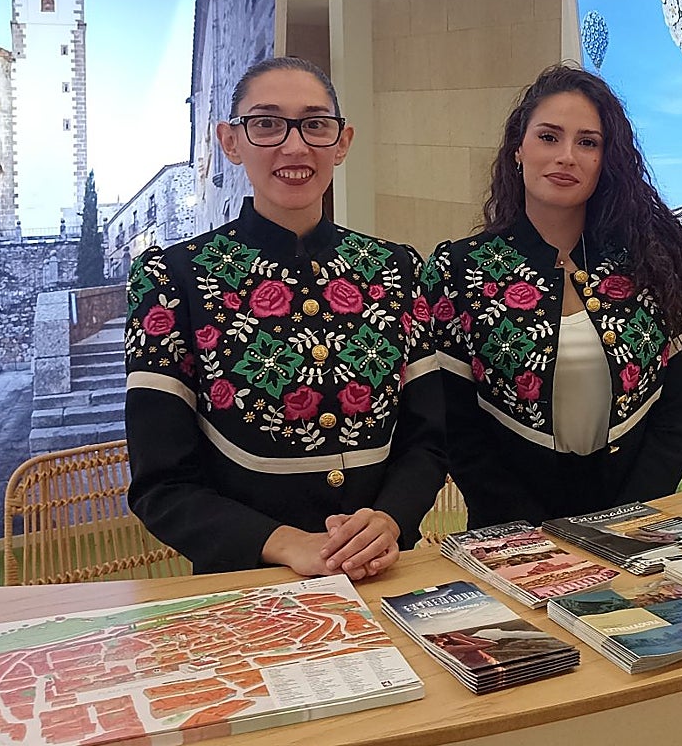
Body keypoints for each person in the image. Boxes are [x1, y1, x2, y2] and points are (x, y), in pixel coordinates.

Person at [125, 56, 445, 578]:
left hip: (386, 569)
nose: (294, 146)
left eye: (316, 125)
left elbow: (428, 441)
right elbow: (162, 484)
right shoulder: (170, 279)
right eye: (267, 123)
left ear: (341, 143)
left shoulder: (399, 269)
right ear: (230, 141)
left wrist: (390, 518)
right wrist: (286, 543)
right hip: (249, 579)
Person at [424, 64, 682, 529]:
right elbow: (456, 426)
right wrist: (532, 533)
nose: (566, 156)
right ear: (518, 149)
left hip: (634, 524)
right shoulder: (458, 270)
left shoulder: (651, 264)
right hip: (510, 536)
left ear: (607, 160)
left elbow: (679, 412)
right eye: (548, 137)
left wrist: (629, 518)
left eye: (587, 142)